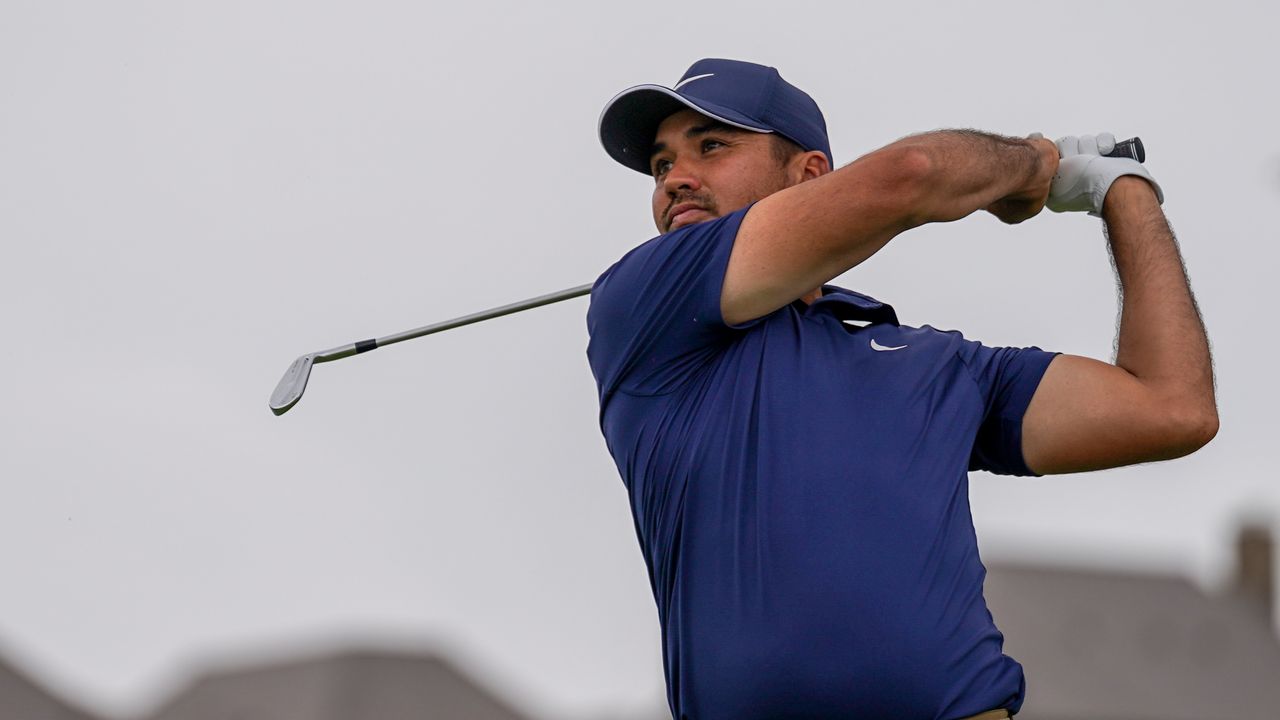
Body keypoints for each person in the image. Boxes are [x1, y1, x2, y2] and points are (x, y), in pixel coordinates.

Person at [585, 58, 1218, 720]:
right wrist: (1033, 164)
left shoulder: (933, 364)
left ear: (808, 176)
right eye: (661, 166)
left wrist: (1123, 189)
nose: (675, 180)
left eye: (711, 146)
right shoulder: (645, 303)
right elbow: (913, 176)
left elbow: (1171, 408)